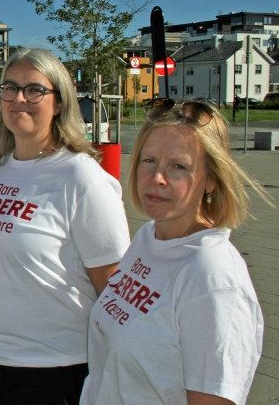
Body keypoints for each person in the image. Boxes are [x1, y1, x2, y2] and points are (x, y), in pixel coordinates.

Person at [0, 48, 131, 404]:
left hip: (53, 372)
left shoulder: (81, 177)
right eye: (10, 88)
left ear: (59, 102)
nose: (19, 99)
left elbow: (112, 289)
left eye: (34, 90)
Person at [81, 99, 272, 405]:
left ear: (211, 179)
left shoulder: (212, 277)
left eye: (178, 166)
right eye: (149, 160)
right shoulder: (148, 238)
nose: (157, 177)